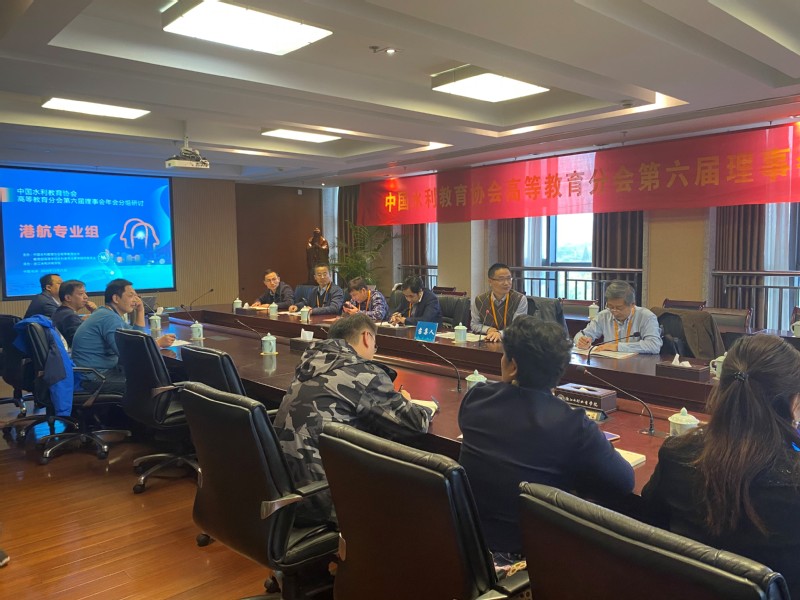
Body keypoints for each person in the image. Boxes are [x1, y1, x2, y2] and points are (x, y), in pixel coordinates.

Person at [459, 316, 634, 564]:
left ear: (513, 366)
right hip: (535, 559)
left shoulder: (476, 399)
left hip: (468, 547)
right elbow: (624, 482)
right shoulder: (573, 424)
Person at [642, 334, 800, 598]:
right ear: (794, 404)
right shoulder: (792, 482)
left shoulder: (676, 454)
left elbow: (649, 527)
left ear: (721, 388)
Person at [274, 313, 437, 525]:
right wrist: (407, 401)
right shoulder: (363, 372)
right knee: (422, 491)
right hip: (321, 499)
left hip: (283, 490)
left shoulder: (311, 363)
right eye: (375, 346)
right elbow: (416, 424)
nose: (374, 352)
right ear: (367, 337)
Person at [71, 278, 175, 395]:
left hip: (99, 372)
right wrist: (157, 344)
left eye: (136, 296)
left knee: (151, 377)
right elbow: (128, 354)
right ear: (116, 298)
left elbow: (134, 337)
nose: (136, 300)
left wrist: (140, 311)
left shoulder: (107, 313)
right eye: (131, 295)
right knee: (152, 384)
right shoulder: (108, 318)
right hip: (94, 377)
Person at [573, 280, 662, 354]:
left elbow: (654, 345)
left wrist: (617, 347)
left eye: (619, 308)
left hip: (637, 365)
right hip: (609, 364)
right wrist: (581, 341)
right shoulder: (603, 315)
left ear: (632, 305)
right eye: (610, 306)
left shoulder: (646, 317)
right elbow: (581, 335)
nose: (614, 311)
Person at [471, 263, 528, 342]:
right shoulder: (480, 300)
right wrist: (488, 329)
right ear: (490, 281)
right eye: (501, 279)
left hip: (512, 342)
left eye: (509, 278)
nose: (506, 283)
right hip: (488, 341)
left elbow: (517, 327)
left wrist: (500, 333)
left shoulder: (519, 299)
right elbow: (474, 324)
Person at [51, 279, 97, 347]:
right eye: (81, 294)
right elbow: (82, 342)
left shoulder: (61, 312)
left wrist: (82, 321)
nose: (86, 297)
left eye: (85, 293)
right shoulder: (70, 316)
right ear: (68, 298)